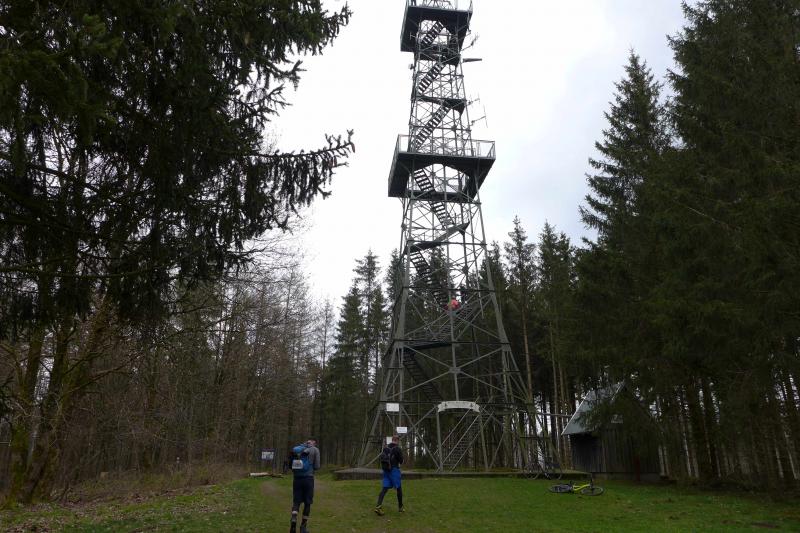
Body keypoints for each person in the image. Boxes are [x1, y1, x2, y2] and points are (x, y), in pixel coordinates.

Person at [290, 437, 320, 533]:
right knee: (307, 503)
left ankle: (294, 519)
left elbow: (291, 464)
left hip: (297, 479)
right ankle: (303, 527)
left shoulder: (297, 449)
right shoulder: (315, 450)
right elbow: (317, 466)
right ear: (314, 443)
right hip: (308, 479)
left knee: (296, 501)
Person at [374, 435, 404, 516]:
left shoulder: (385, 448)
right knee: (399, 488)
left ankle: (378, 506)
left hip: (386, 471)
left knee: (384, 489)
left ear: (392, 440)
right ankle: (400, 507)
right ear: (397, 441)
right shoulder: (397, 449)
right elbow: (401, 461)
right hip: (394, 471)